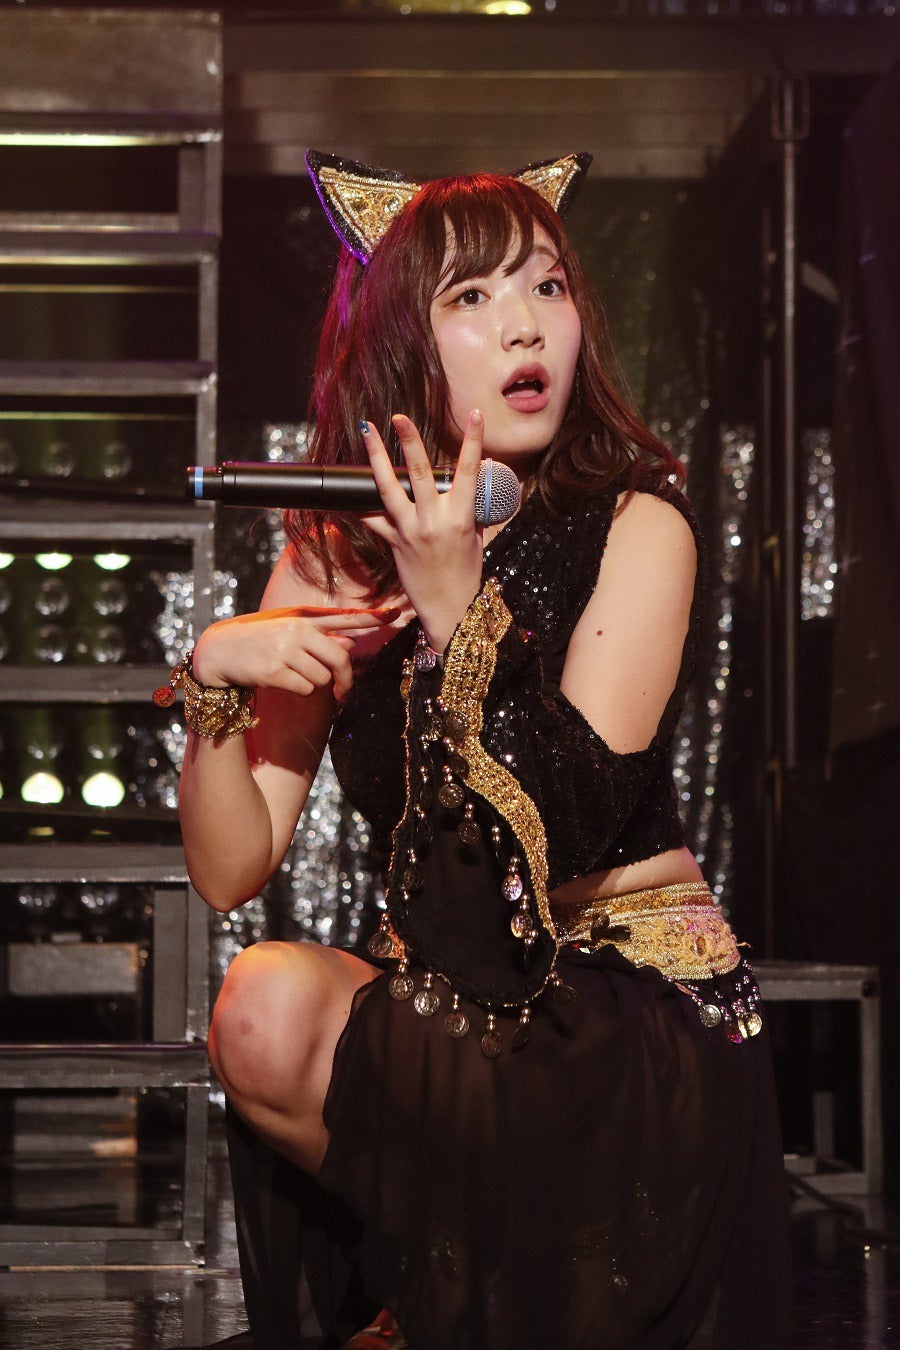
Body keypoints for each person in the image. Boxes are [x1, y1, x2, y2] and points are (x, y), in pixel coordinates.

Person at [173, 150, 793, 1349]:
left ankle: (452, 1301)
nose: (526, 325)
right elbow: (229, 868)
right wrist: (213, 685)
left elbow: (569, 809)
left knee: (495, 1057)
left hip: (619, 1015)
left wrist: (459, 610)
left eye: (547, 286)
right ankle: (474, 1290)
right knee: (261, 1006)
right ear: (403, 342)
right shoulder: (333, 558)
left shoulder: (637, 522)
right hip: (455, 1017)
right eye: (473, 297)